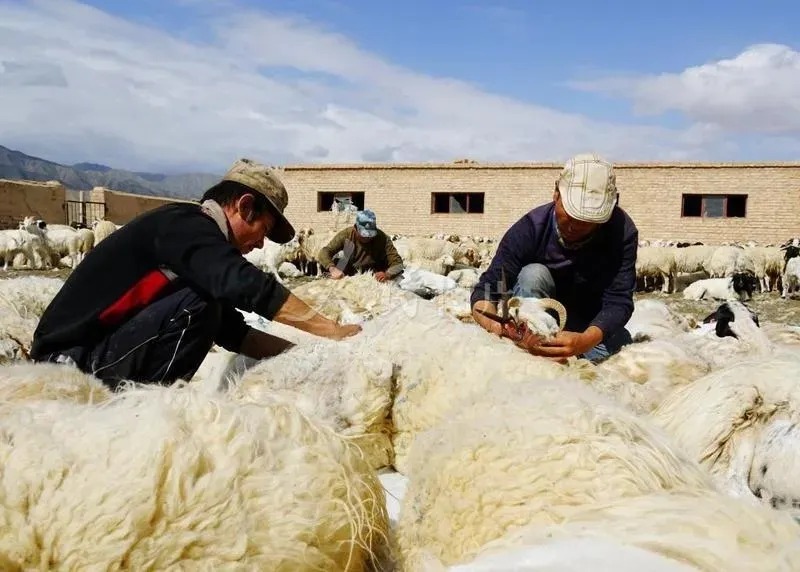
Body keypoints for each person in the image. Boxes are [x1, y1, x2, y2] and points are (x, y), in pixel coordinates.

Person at [30, 158, 361, 389]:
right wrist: (333, 331)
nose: (261, 244)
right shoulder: (183, 225)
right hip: (68, 361)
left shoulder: (192, 246)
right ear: (245, 207)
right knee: (201, 304)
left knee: (208, 307)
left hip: (94, 353)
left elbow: (234, 333)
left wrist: (307, 358)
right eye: (263, 229)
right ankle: (146, 410)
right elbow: (247, 286)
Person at [471, 153, 638, 364]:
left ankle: (570, 352)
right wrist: (496, 326)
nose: (576, 226)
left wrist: (586, 340)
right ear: (556, 194)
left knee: (622, 346)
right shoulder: (530, 229)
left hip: (586, 325)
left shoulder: (621, 233)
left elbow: (619, 300)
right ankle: (529, 347)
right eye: (570, 214)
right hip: (538, 318)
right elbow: (490, 286)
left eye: (587, 220)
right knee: (533, 274)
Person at [317, 209, 404, 283]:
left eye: (370, 234)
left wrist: (387, 274)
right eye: (364, 234)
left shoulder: (382, 238)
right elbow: (325, 251)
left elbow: (398, 263)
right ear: (355, 228)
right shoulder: (346, 235)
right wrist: (333, 269)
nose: (367, 237)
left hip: (373, 276)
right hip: (348, 274)